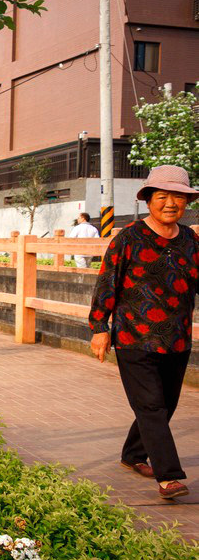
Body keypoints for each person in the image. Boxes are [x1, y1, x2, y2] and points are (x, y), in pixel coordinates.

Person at [88, 165, 198, 500]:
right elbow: (106, 283)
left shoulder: (192, 240)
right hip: (133, 336)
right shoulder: (128, 238)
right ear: (148, 201)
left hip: (176, 337)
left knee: (165, 405)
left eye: (177, 197)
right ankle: (169, 477)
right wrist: (99, 327)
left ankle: (133, 454)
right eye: (162, 196)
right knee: (151, 406)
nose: (170, 203)